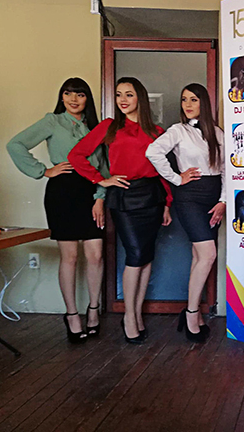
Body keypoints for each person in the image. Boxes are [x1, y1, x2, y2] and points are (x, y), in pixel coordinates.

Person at [68, 77, 172, 344]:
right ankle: (128, 317)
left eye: (129, 94)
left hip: (152, 196)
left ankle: (137, 314)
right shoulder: (109, 126)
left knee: (146, 256)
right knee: (135, 255)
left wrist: (168, 203)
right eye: (118, 95)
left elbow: (163, 170)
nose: (122, 100)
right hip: (124, 197)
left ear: (140, 98)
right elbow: (76, 155)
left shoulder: (157, 131)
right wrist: (100, 180)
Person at [6, 78, 106, 343]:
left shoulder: (96, 128)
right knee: (69, 257)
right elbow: (15, 145)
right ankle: (71, 314)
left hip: (91, 192)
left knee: (96, 255)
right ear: (62, 97)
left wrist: (100, 197)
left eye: (80, 94)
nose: (73, 99)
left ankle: (93, 309)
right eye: (68, 93)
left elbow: (104, 167)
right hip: (62, 192)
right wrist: (43, 171)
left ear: (87, 99)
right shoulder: (52, 121)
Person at [145, 83, 225, 343]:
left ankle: (193, 311)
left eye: (193, 99)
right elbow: (152, 152)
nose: (188, 105)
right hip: (189, 197)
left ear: (204, 103)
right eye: (184, 100)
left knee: (198, 255)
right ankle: (191, 312)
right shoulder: (178, 130)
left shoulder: (217, 133)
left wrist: (223, 201)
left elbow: (227, 169)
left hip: (213, 197)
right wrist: (176, 179)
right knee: (208, 254)